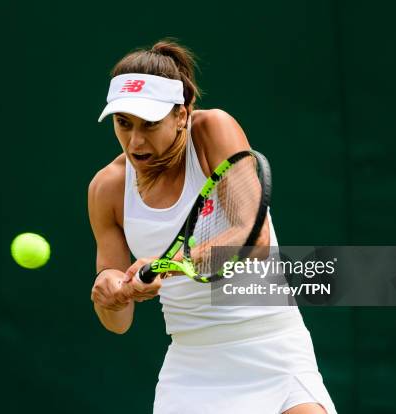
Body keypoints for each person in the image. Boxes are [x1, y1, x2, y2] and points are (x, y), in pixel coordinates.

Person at [88, 39, 337, 414]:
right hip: (192, 368)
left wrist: (170, 265)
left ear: (182, 115)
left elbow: (254, 237)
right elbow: (118, 323)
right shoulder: (106, 188)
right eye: (124, 123)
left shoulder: (213, 131)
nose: (135, 141)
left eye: (150, 124)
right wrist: (111, 295)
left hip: (274, 346)